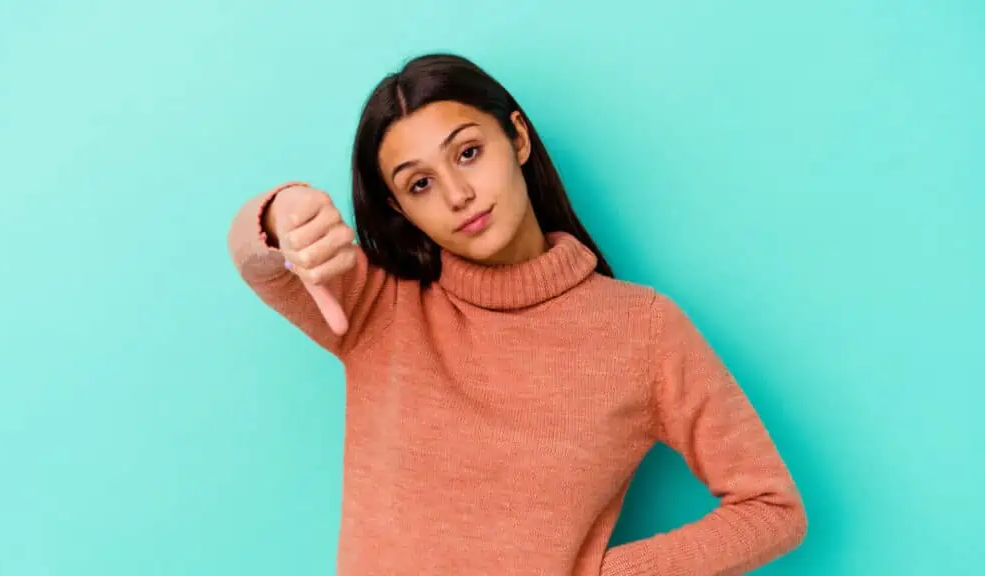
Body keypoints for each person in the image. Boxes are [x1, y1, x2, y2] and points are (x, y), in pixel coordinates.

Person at [227, 53, 807, 576]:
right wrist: (283, 210)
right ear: (398, 208)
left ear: (519, 140)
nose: (458, 194)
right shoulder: (381, 306)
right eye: (421, 183)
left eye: (469, 153)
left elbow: (773, 508)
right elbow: (259, 260)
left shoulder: (643, 330)